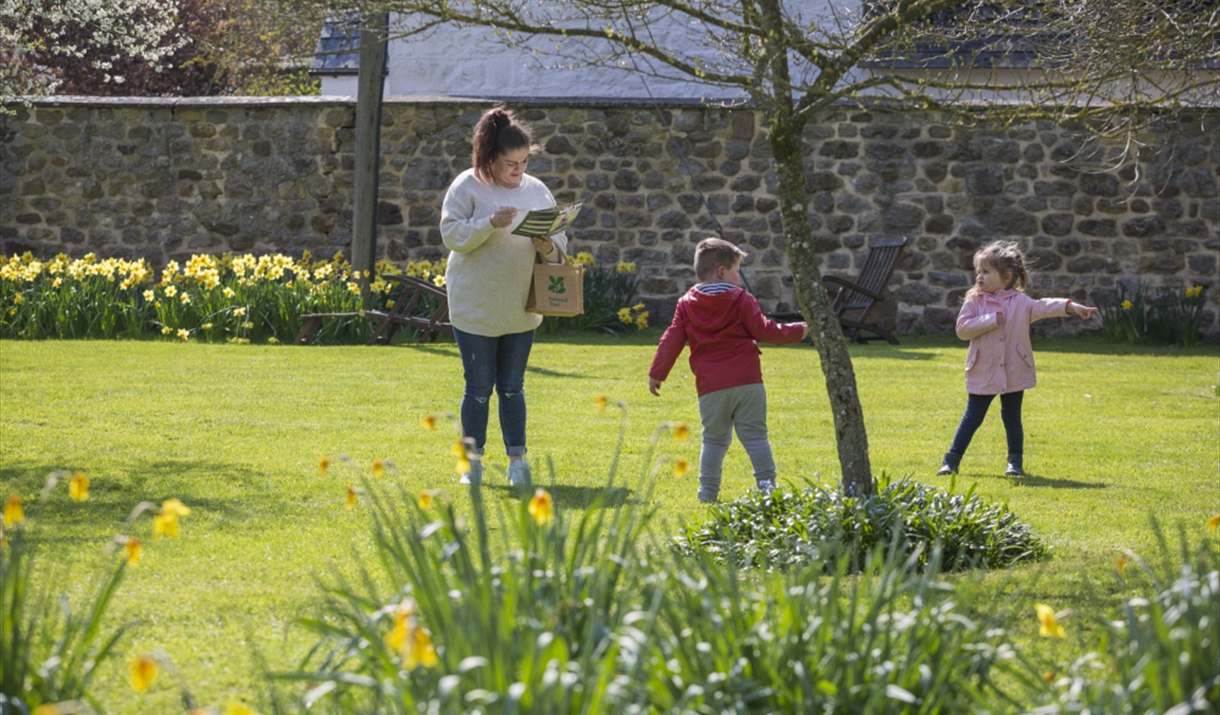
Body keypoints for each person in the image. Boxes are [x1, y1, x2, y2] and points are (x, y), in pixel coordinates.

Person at [440, 106, 567, 487]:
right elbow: (452, 235)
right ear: (490, 157)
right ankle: (472, 465)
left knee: (512, 387)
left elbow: (560, 240)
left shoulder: (536, 189)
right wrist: (488, 223)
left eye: (524, 162)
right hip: (475, 305)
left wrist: (548, 245)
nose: (519, 170)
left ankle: (517, 463)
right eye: (511, 163)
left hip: (520, 307)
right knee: (478, 388)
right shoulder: (467, 185)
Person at [648, 238, 809, 503]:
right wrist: (799, 330)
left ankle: (707, 492)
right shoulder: (743, 299)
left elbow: (671, 339)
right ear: (722, 271)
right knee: (756, 437)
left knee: (713, 440)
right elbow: (764, 330)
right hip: (748, 382)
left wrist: (657, 373)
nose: (739, 276)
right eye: (737, 269)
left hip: (710, 387)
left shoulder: (686, 304)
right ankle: (768, 489)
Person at [937, 240, 1097, 477]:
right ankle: (951, 461)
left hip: (1014, 369)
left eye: (986, 272)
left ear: (1006, 277)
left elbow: (1044, 306)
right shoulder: (974, 301)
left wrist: (1071, 306)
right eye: (978, 271)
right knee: (972, 418)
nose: (979, 276)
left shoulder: (1021, 303)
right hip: (983, 369)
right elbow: (962, 330)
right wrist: (990, 320)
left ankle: (1015, 463)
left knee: (1012, 418)